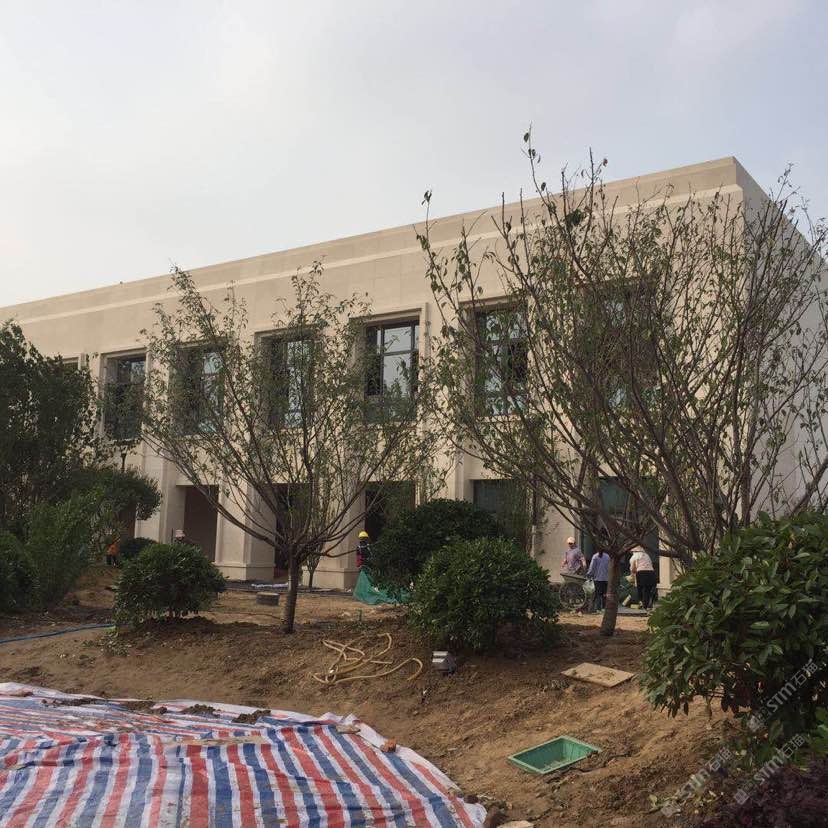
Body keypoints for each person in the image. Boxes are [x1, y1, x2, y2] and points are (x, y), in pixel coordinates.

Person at [630, 545, 657, 611]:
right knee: (647, 590)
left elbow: (633, 569)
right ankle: (646, 606)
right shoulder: (647, 555)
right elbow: (651, 565)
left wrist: (632, 575)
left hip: (641, 573)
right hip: (651, 573)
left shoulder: (634, 556)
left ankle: (641, 603)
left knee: (640, 589)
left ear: (634, 551)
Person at [586, 547, 610, 611]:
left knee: (598, 594)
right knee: (604, 593)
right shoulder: (607, 556)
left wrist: (589, 574)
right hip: (606, 578)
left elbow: (592, 567)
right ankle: (604, 607)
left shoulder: (595, 556)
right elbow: (609, 567)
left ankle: (598, 608)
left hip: (597, 578)